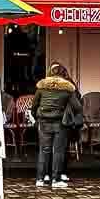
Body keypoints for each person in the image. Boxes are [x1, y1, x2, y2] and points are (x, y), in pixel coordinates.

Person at [31, 62, 82, 190]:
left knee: (44, 150)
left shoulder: (41, 87)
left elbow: (34, 106)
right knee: (58, 151)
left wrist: (37, 116)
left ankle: (40, 179)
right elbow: (77, 107)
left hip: (43, 121)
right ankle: (56, 179)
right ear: (62, 74)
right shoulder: (67, 88)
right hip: (60, 123)